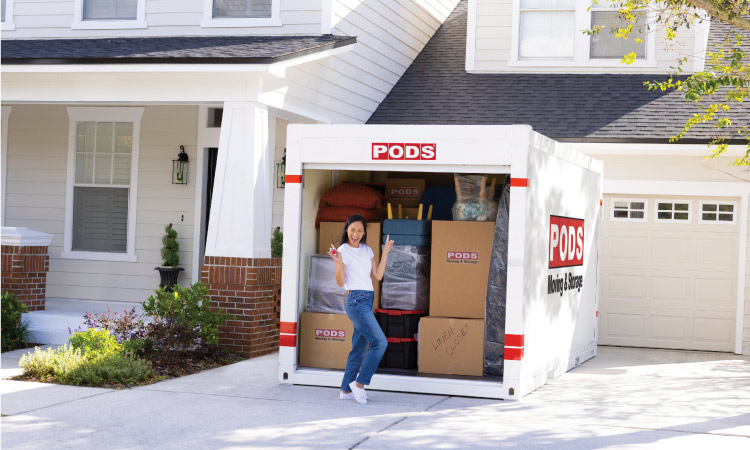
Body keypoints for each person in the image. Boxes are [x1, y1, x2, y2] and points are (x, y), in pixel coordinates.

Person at [329, 214, 394, 404]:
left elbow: (378, 275)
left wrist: (385, 253)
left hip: (367, 300)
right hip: (355, 301)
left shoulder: (367, 250)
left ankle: (345, 390)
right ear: (346, 230)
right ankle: (359, 384)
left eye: (359, 230)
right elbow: (340, 281)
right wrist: (339, 261)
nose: (355, 234)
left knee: (358, 348)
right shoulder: (342, 250)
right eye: (352, 230)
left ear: (364, 232)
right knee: (380, 342)